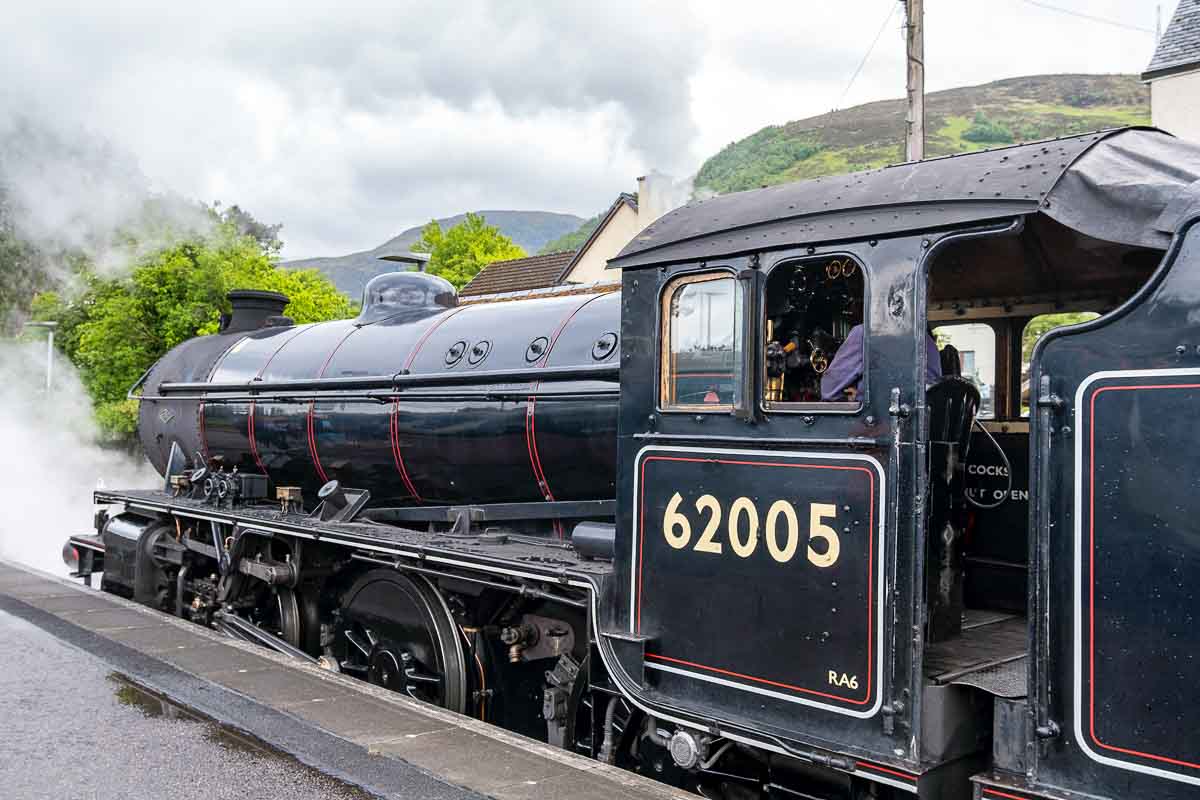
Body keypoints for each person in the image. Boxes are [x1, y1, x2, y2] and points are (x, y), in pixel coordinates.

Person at [820, 324, 942, 401]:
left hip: (878, 430)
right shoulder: (928, 341)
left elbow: (829, 390)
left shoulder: (864, 334)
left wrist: (856, 398)